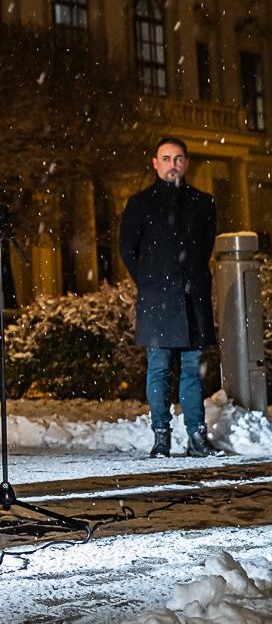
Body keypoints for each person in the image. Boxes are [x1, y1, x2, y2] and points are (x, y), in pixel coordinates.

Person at [120, 137, 222, 459]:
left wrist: (188, 278)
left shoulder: (202, 203)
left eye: (178, 158)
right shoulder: (140, 204)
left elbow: (204, 247)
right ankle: (161, 436)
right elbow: (127, 249)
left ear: (186, 162)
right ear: (155, 163)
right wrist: (150, 282)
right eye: (166, 158)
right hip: (158, 299)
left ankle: (197, 435)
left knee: (192, 370)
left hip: (192, 298)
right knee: (159, 370)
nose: (172, 165)